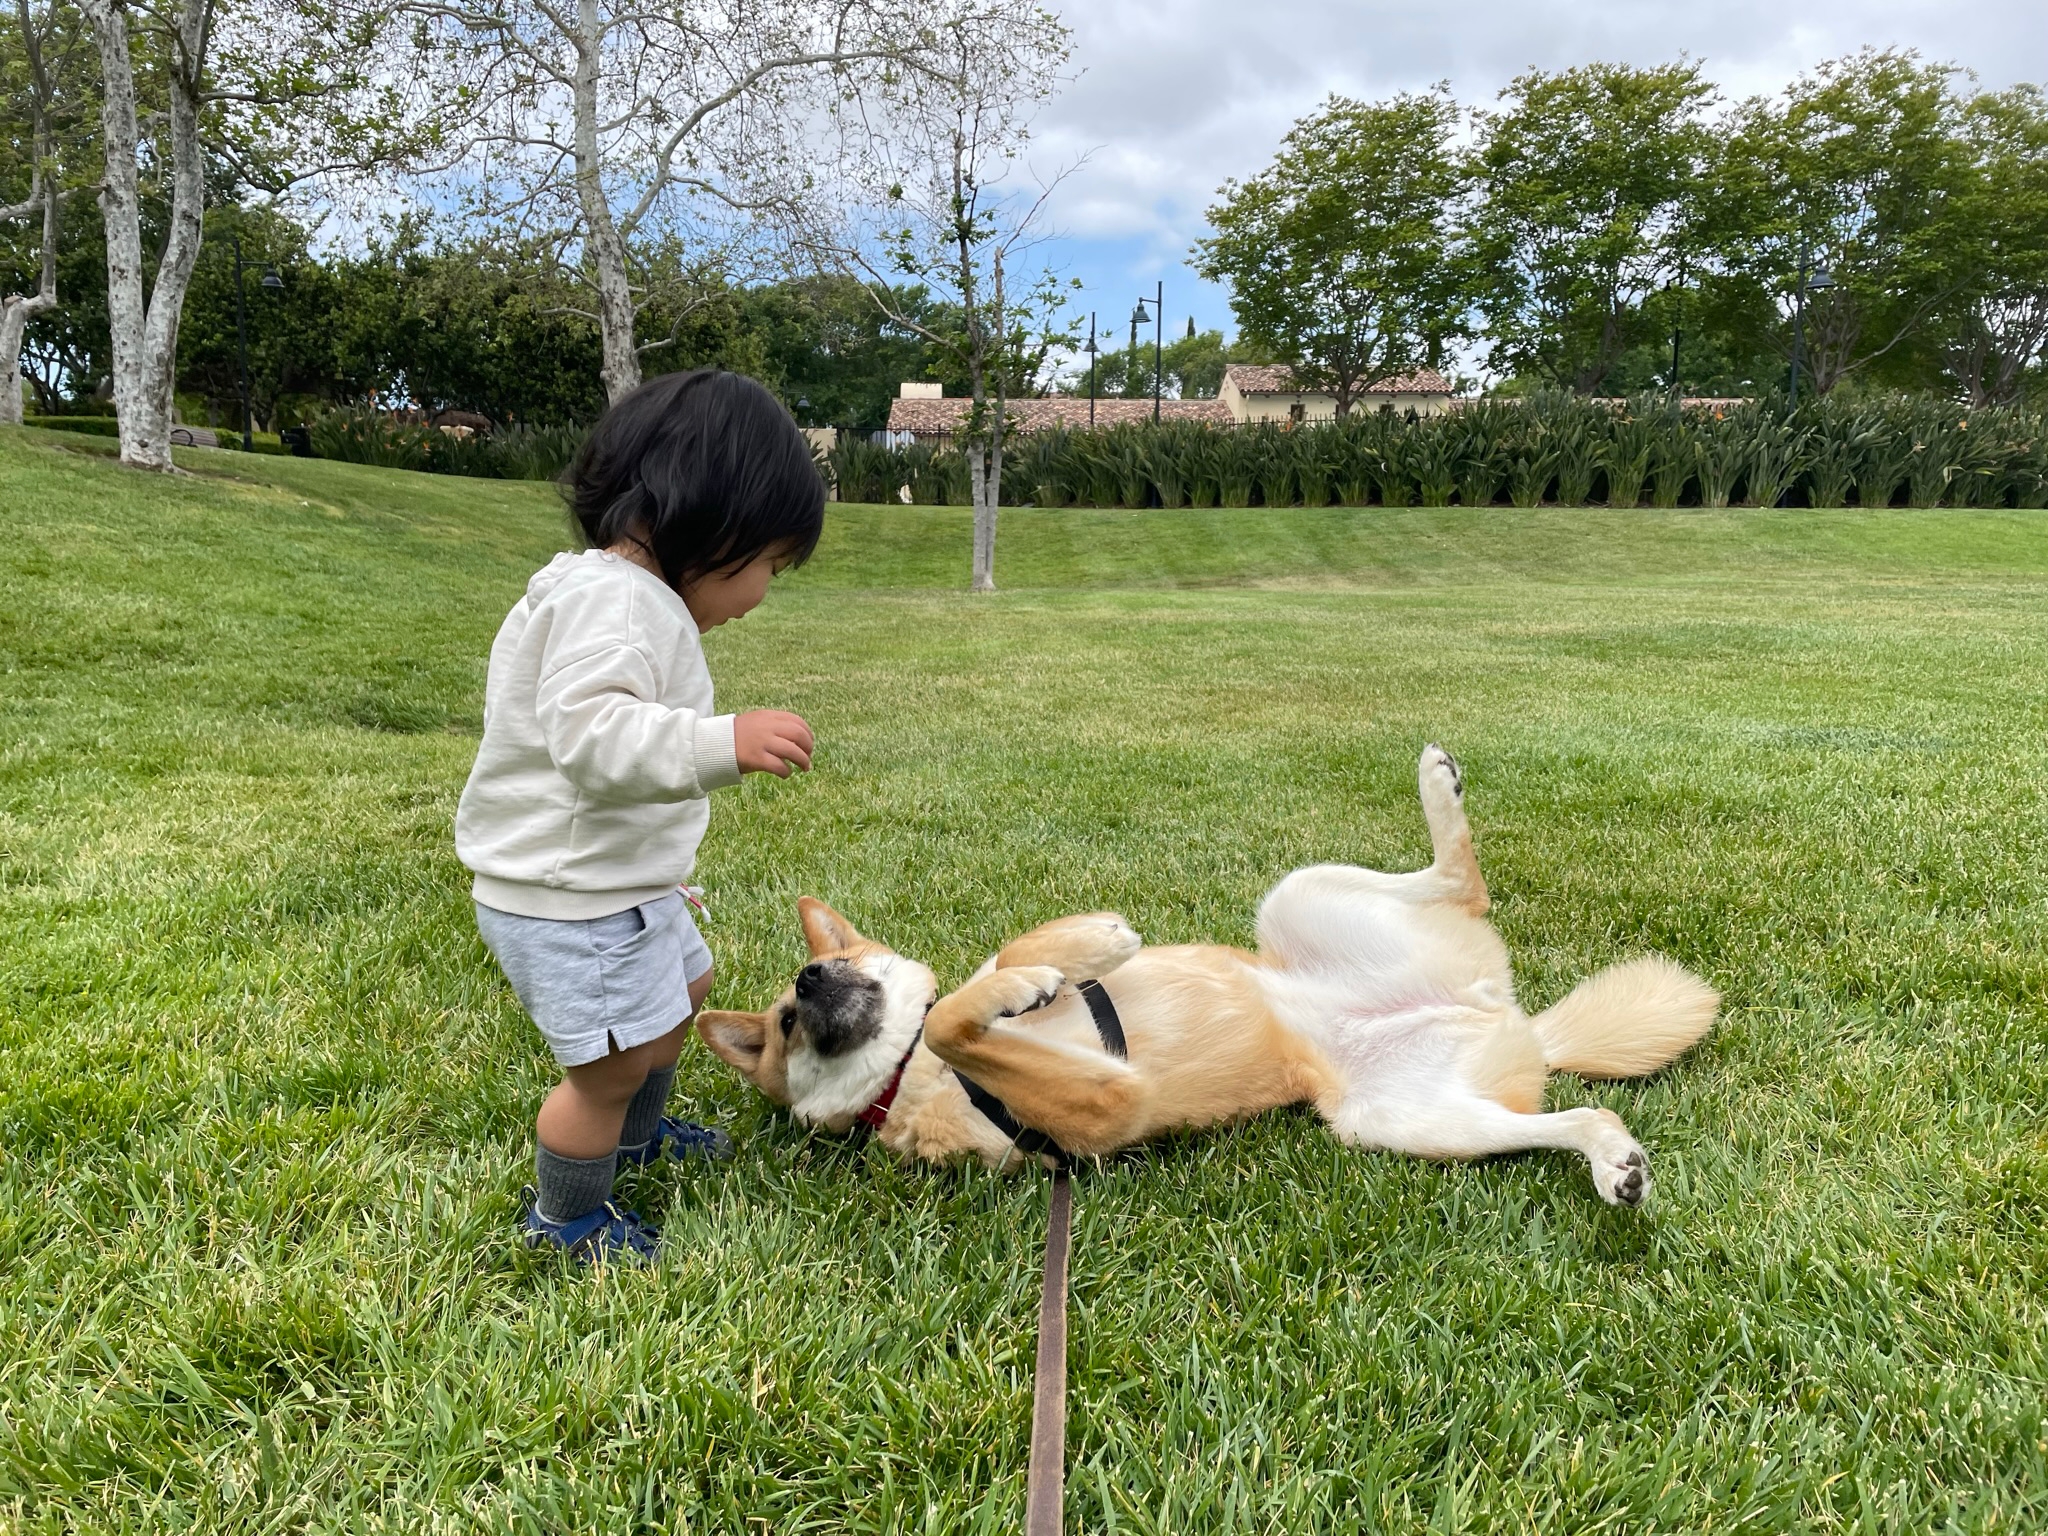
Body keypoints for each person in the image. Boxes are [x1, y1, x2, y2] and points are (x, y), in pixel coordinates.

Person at [456, 370, 823, 1264]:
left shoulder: (621, 596)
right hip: (572, 898)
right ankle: (568, 1218)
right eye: (768, 564)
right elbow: (594, 736)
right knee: (610, 1068)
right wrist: (718, 741)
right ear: (704, 520)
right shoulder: (616, 605)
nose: (763, 594)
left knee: (683, 998)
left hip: (618, 882)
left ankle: (638, 1138)